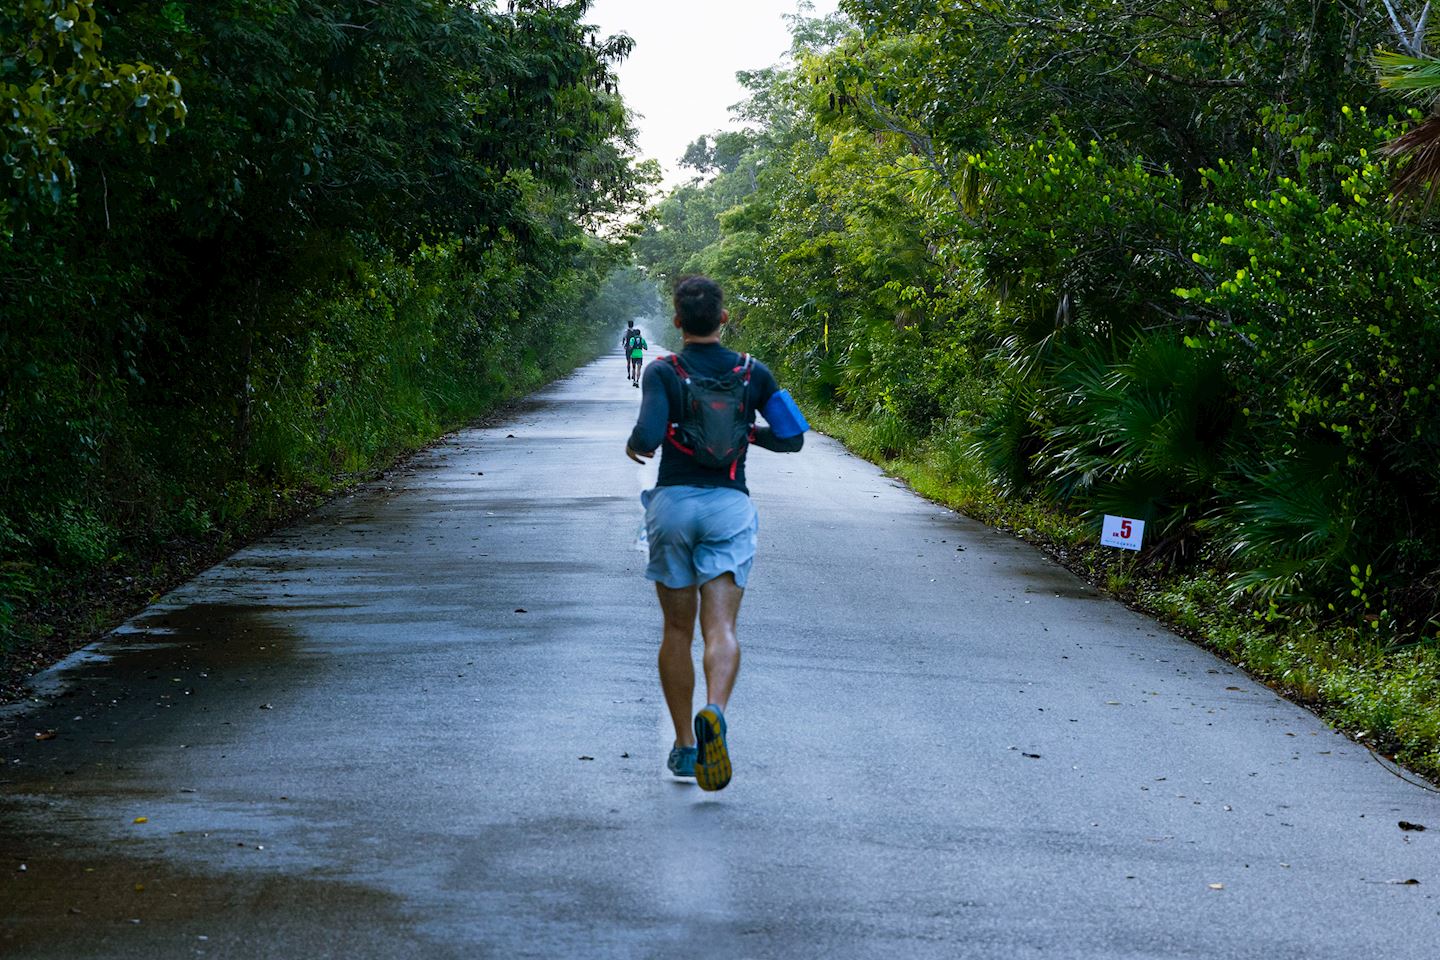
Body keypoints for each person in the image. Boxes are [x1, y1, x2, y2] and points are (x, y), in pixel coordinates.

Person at [625, 275, 804, 791]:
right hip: (730, 506)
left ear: (678, 321)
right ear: (723, 318)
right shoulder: (754, 372)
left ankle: (684, 747)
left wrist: (634, 445)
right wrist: (751, 433)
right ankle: (715, 712)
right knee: (720, 629)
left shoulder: (662, 372)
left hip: (674, 507)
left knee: (676, 632)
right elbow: (792, 438)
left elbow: (649, 435)